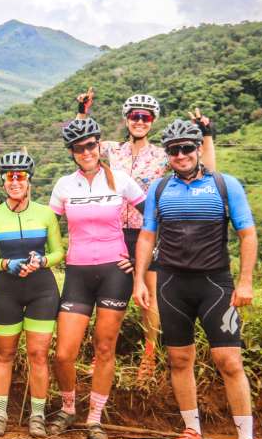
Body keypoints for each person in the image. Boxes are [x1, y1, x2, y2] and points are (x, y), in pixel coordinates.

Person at [133, 120, 262, 439]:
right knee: (179, 360)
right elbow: (147, 237)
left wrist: (245, 281)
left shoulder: (224, 185)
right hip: (172, 285)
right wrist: (139, 282)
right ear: (168, 154)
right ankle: (192, 430)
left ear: (199, 149)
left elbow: (247, 235)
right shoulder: (159, 190)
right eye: (173, 150)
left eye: (187, 148)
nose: (181, 155)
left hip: (215, 284)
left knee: (229, 361)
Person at [75, 90, 216, 382]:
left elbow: (207, 170)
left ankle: (148, 358)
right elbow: (80, 143)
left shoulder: (163, 154)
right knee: (106, 297)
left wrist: (206, 134)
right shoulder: (111, 150)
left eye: (145, 117)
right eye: (134, 116)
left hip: (147, 232)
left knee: (148, 299)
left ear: (152, 122)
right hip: (112, 231)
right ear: (126, 119)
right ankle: (99, 357)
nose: (139, 121)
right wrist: (82, 111)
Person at [46, 117, 145, 439]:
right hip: (77, 272)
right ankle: (69, 408)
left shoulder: (120, 180)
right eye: (79, 148)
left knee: (104, 347)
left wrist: (140, 259)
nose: (86, 151)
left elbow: (152, 218)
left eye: (90, 145)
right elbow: (45, 227)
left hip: (115, 272)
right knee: (64, 353)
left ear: (99, 145)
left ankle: (94, 418)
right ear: (72, 152)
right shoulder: (64, 185)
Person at [0, 152, 63, 438]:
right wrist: (5, 264)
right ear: (3, 181)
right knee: (5, 354)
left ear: (29, 181)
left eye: (20, 176)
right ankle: (0, 414)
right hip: (5, 290)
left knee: (38, 354)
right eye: (9, 177)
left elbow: (59, 251)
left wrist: (44, 262)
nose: (14, 181)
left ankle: (37, 416)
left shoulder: (45, 213)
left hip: (42, 289)